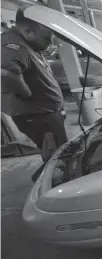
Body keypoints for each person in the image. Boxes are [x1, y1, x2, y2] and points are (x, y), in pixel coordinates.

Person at [1, 8, 67, 154]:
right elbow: (6, 74)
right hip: (38, 116)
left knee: (60, 150)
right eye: (45, 38)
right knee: (57, 156)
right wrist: (26, 93)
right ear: (27, 31)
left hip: (46, 113)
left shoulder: (26, 43)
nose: (49, 43)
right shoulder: (14, 46)